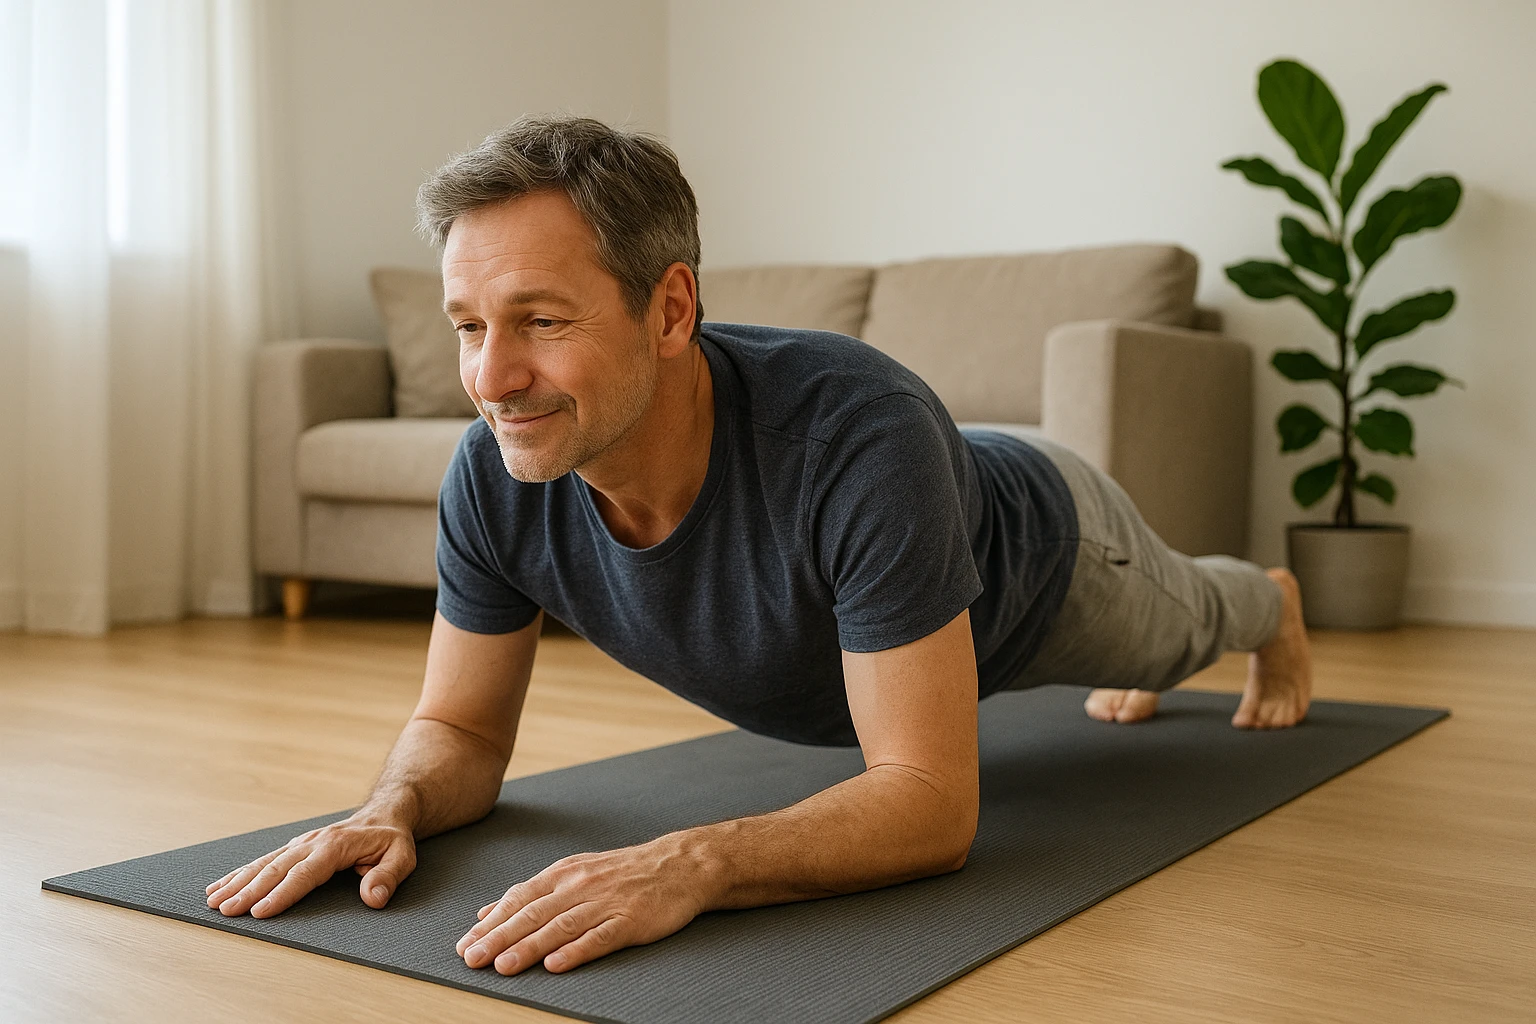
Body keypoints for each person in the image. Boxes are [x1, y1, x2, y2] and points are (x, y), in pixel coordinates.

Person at [205, 116, 1312, 977]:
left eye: (541, 321)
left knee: (1183, 635)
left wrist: (691, 861)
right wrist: (387, 805)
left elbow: (928, 798)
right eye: (468, 327)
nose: (491, 378)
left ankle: (1273, 600)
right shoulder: (492, 477)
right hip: (923, 494)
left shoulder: (856, 434)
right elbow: (456, 725)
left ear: (672, 309)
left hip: (1052, 548)